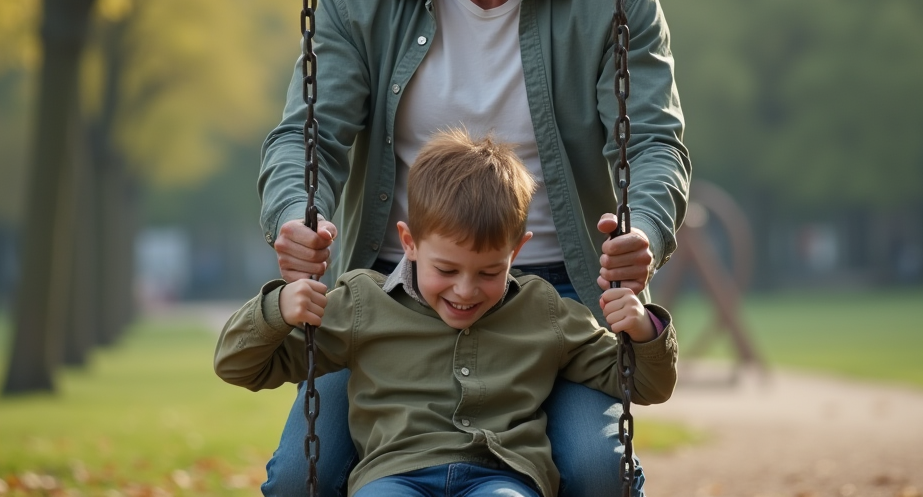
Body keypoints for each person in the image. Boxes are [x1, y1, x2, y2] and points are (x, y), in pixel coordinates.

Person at [259, 0, 691, 496]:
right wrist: (296, 217)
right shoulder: (357, 1)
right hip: (400, 293)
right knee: (299, 476)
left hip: (560, 290)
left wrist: (641, 228)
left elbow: (650, 141)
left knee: (596, 470)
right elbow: (308, 136)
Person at [219, 129, 678, 497]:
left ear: (517, 251)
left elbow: (645, 384)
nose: (465, 290)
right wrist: (276, 309)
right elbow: (239, 365)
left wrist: (642, 330)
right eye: (446, 269)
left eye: (488, 271)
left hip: (501, 477)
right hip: (393, 475)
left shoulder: (543, 311)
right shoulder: (362, 304)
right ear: (409, 242)